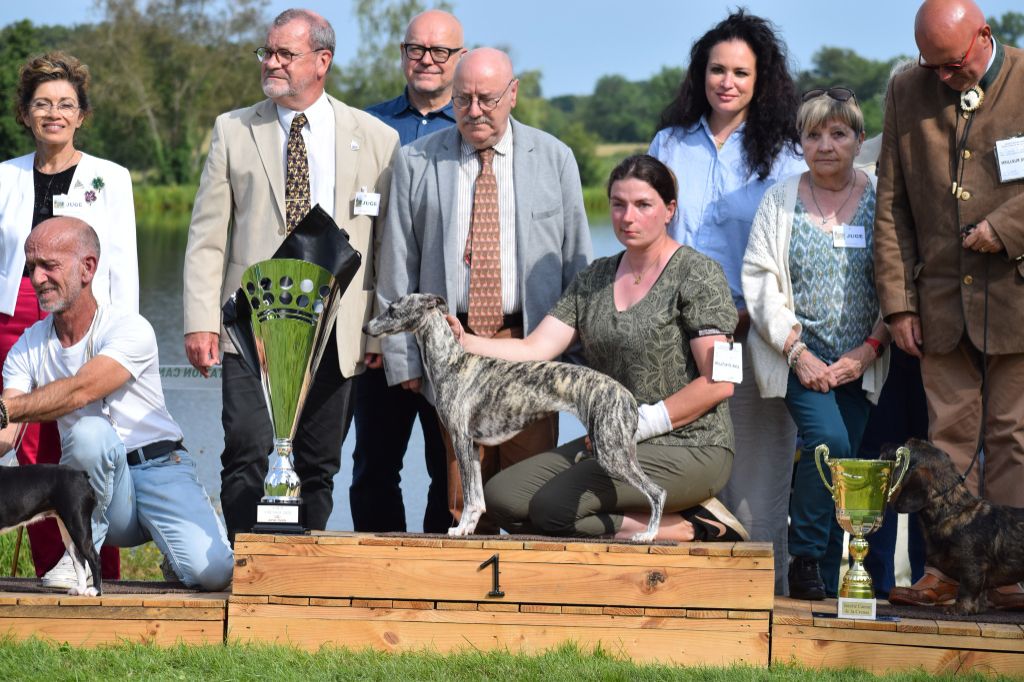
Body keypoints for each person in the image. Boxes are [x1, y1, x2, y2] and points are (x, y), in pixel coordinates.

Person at [183, 8, 399, 540]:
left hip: (337, 327)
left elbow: (386, 247)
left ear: (322, 61)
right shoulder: (233, 130)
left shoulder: (376, 137)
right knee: (246, 452)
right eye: (267, 52)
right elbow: (207, 235)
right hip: (250, 326)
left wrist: (378, 332)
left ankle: (301, 570)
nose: (271, 63)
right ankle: (246, 566)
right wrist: (200, 322)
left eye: (286, 54)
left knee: (318, 464)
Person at [448, 154, 745, 540]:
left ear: (670, 210)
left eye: (643, 205)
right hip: (612, 441)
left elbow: (720, 383)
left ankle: (693, 527)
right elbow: (536, 347)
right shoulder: (594, 277)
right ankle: (660, 518)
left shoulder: (699, 274)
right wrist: (465, 340)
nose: (628, 217)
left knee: (554, 508)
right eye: (618, 204)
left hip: (692, 444)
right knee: (504, 497)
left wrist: (641, 425)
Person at [377, 47, 591, 531]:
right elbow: (397, 264)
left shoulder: (555, 158)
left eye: (487, 99)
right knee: (462, 498)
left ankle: (527, 580)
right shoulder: (416, 161)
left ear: (512, 94)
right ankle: (465, 577)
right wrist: (403, 358)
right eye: (463, 99)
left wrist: (576, 357)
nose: (474, 111)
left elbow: (577, 265)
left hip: (531, 346)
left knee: (531, 494)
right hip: (453, 349)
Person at [874, 0, 1024, 610]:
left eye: (952, 64)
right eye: (929, 64)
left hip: (1015, 297)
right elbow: (891, 206)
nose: (941, 76)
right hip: (936, 303)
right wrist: (898, 304)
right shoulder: (904, 90)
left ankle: (1007, 576)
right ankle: (943, 572)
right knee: (946, 438)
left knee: (1013, 436)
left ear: (984, 35)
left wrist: (1006, 227)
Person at [649, 10, 805, 592]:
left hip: (752, 338)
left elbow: (793, 249)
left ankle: (765, 611)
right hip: (676, 343)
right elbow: (650, 233)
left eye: (741, 72)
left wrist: (747, 315)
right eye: (718, 69)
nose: (727, 82)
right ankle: (686, 610)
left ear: (762, 80)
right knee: (680, 489)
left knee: (756, 495)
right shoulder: (669, 143)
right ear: (701, 73)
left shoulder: (786, 153)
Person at [0, 217, 232, 590]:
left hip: (160, 468)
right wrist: (5, 415)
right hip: (101, 489)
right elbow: (6, 432)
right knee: (90, 435)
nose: (37, 279)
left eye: (49, 266)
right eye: (30, 268)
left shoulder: (130, 327)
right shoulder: (28, 345)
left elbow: (80, 391)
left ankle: (173, 551)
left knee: (214, 574)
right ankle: (80, 552)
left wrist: (5, 410)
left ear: (88, 268)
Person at [743, 88, 891, 599]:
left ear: (860, 140)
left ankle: (825, 584)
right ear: (800, 142)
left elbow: (900, 280)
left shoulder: (882, 198)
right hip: (797, 360)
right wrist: (798, 353)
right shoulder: (780, 200)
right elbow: (759, 280)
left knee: (843, 469)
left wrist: (868, 351)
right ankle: (804, 554)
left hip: (862, 359)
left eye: (838, 133)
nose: (825, 145)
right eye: (813, 135)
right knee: (830, 444)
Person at [0, 51, 135, 581]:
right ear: (25, 113)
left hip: (85, 321)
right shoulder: (4, 176)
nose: (53, 113)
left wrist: (120, 339)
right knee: (28, 449)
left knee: (84, 441)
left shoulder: (111, 178)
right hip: (14, 319)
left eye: (65, 104)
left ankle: (99, 570)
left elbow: (122, 265)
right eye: (41, 103)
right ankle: (51, 570)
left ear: (81, 115)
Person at [352, 9, 465, 533]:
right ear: (402, 54)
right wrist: (377, 332)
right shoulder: (367, 128)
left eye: (440, 51)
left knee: (448, 464)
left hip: (452, 327)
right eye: (416, 49)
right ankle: (379, 565)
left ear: (460, 57)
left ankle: (437, 566)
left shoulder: (473, 127)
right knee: (374, 464)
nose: (427, 60)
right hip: (381, 330)